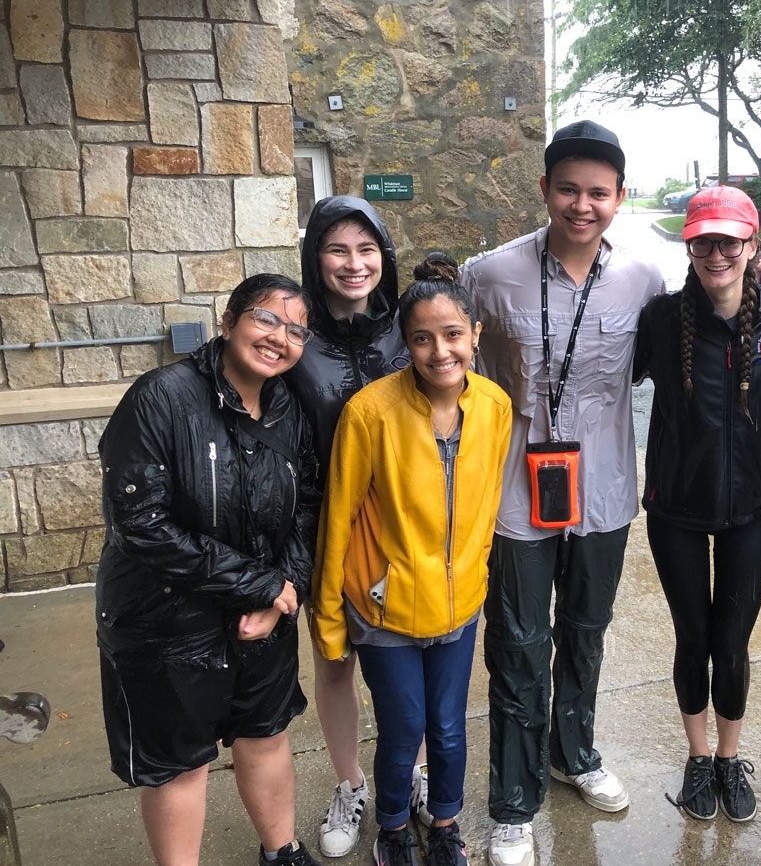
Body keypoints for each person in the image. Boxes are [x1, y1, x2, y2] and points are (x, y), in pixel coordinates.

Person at [462, 120, 761, 866]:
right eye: (568, 189)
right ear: (545, 190)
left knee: (585, 629)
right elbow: (437, 343)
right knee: (517, 642)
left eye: (598, 193)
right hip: (515, 490)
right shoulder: (489, 274)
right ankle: (513, 800)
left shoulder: (644, 281)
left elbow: (710, 321)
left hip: (604, 486)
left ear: (619, 198)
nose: (582, 204)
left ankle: (573, 751)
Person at [95, 274, 322, 866]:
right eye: (266, 319)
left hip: (259, 618)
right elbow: (139, 523)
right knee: (179, 764)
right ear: (229, 321)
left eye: (296, 330)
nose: (279, 337)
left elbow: (306, 508)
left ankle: (282, 851)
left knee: (267, 733)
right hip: (165, 617)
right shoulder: (161, 397)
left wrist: (282, 593)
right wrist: (260, 584)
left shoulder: (287, 409)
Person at [311, 256, 512, 866]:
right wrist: (328, 618)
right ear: (406, 343)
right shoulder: (370, 412)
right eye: (421, 338)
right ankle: (394, 828)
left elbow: (485, 506)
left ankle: (444, 823)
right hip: (386, 608)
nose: (439, 351)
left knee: (449, 729)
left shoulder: (496, 407)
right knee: (403, 731)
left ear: (475, 334)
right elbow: (338, 516)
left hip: (458, 607)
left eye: (453, 334)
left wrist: (474, 570)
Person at [633, 186, 761, 823]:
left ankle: (730, 760)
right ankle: (698, 758)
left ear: (752, 244)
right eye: (705, 240)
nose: (717, 251)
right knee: (692, 636)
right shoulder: (662, 318)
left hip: (751, 508)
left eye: (730, 240)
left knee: (731, 644)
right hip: (676, 505)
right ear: (689, 244)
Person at [286, 196, 422, 859]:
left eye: (367, 250)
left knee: (414, 657)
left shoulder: (408, 327)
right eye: (338, 250)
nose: (353, 263)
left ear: (385, 257)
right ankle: (350, 782)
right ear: (316, 258)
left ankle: (416, 772)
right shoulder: (296, 338)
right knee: (336, 662)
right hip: (325, 528)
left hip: (404, 523)